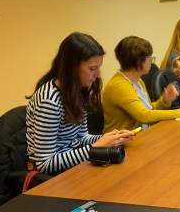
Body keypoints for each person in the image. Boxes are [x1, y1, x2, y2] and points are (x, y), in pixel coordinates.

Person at [26, 32, 135, 174]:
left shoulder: (78, 90)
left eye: (98, 68)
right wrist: (95, 148)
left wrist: (111, 139)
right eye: (92, 69)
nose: (97, 75)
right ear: (72, 67)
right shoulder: (49, 101)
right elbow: (45, 163)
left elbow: (81, 137)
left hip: (73, 167)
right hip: (50, 178)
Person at [103, 36, 180, 132]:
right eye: (149, 58)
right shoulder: (119, 86)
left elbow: (147, 109)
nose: (152, 61)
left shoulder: (137, 81)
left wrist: (164, 101)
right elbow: (144, 116)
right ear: (138, 61)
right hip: (120, 144)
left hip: (140, 136)